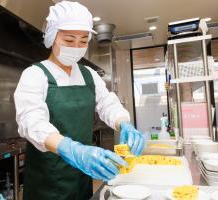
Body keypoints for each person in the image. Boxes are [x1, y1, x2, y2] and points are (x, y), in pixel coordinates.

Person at [14, 1, 145, 199]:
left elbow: (108, 103)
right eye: (69, 39)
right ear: (52, 37)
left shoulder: (89, 75)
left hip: (83, 177)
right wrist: (72, 150)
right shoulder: (35, 75)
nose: (76, 47)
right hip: (47, 183)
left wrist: (124, 124)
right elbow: (31, 122)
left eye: (83, 41)